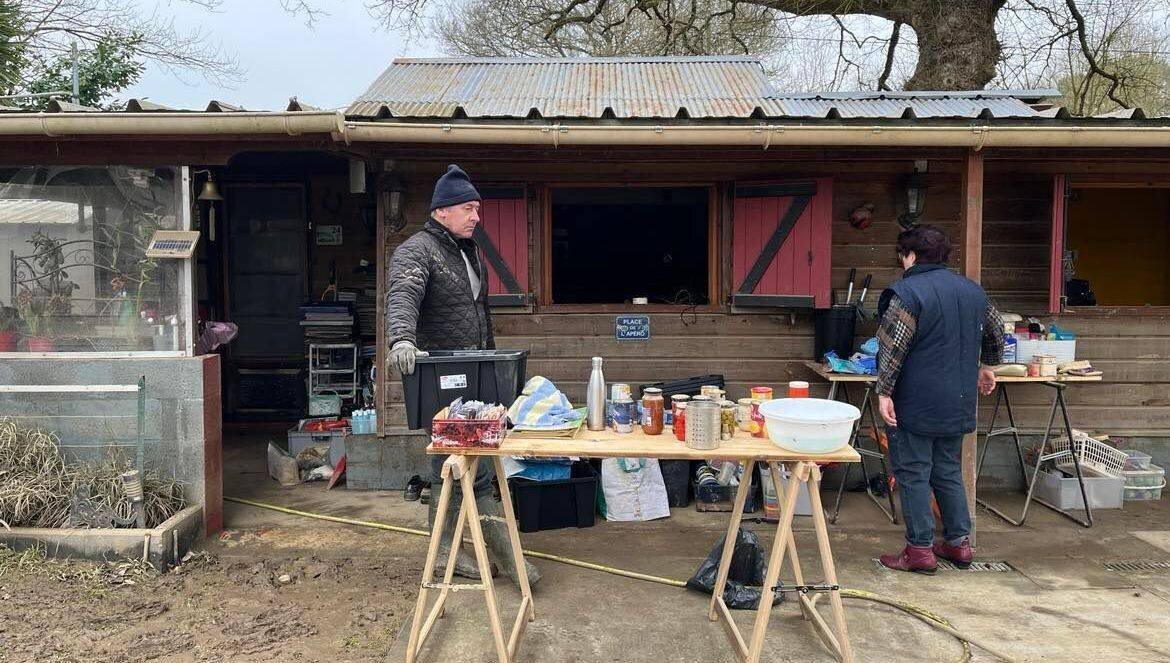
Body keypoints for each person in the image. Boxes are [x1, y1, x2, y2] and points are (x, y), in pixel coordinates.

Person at [385, 164, 540, 587]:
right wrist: (401, 339)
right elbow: (403, 294)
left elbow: (477, 313)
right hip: (439, 379)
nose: (476, 216)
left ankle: (461, 555)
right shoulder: (418, 251)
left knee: (468, 464)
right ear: (442, 211)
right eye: (468, 208)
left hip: (474, 376)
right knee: (462, 467)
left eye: (477, 208)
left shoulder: (468, 251)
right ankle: (484, 557)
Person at [875, 225, 1004, 574]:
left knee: (913, 472)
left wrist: (884, 391)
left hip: (916, 400)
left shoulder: (907, 293)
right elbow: (996, 329)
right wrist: (988, 365)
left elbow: (893, 346)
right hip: (958, 398)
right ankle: (959, 544)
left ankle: (919, 550)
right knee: (947, 470)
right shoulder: (972, 290)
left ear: (909, 255)